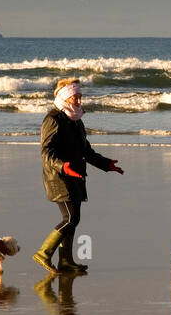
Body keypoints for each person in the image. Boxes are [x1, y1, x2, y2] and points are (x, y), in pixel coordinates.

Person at [32, 78, 124, 273]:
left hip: (75, 176)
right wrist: (63, 167)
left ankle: (66, 261)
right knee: (71, 218)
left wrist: (106, 164)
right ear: (66, 97)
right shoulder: (53, 119)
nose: (79, 102)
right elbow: (46, 152)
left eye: (80, 97)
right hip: (58, 178)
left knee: (73, 219)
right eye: (76, 98)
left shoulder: (76, 120)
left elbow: (86, 151)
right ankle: (43, 253)